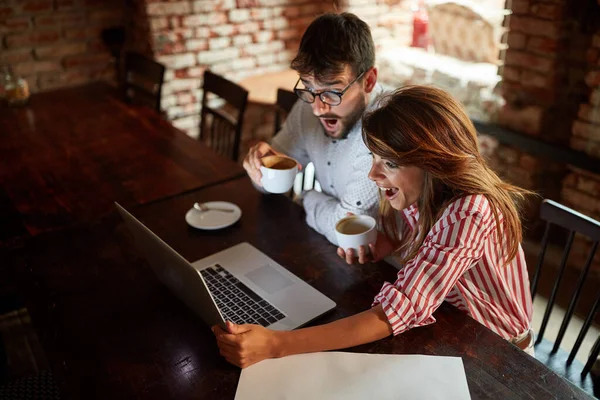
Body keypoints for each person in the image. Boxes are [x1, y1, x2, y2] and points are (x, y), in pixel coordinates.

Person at [213, 86, 535, 368]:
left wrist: (275, 345)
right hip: (453, 320)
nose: (373, 175)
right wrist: (392, 244)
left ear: (435, 162)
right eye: (375, 158)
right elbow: (436, 251)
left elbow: (395, 312)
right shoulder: (424, 192)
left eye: (390, 164)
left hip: (500, 351)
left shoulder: (469, 212)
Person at [243, 12, 383, 245]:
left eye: (332, 91)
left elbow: (347, 233)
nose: (318, 109)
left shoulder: (384, 132)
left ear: (368, 81)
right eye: (309, 87)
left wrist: (306, 196)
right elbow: (270, 184)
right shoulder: (307, 108)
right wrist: (259, 167)